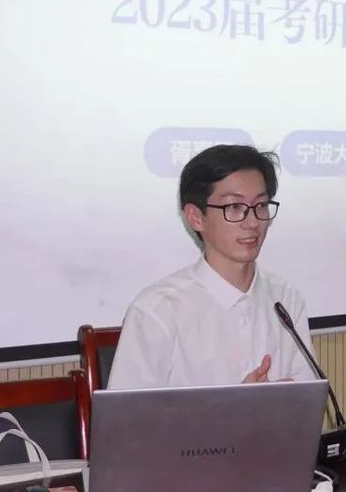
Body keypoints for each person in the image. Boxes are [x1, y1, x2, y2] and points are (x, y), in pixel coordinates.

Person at [108, 144, 318, 388]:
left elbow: (309, 394)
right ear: (196, 217)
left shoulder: (285, 298)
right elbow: (127, 413)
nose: (252, 222)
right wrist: (234, 405)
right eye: (235, 207)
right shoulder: (157, 311)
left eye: (261, 205)